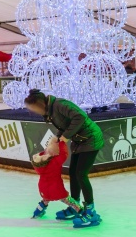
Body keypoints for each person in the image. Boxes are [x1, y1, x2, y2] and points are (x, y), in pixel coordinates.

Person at [23, 89, 103, 228]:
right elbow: (65, 124)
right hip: (80, 140)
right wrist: (57, 136)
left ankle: (91, 211)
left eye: (33, 109)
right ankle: (76, 206)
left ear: (40, 104)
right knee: (73, 173)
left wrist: (64, 138)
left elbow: (80, 117)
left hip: (91, 139)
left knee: (81, 174)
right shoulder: (51, 110)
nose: (33, 112)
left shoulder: (60, 104)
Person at [31, 137, 81, 219]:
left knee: (45, 200)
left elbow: (43, 154)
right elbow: (64, 154)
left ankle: (37, 212)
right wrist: (62, 142)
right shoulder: (55, 161)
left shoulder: (38, 164)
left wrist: (47, 151)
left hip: (43, 188)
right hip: (56, 188)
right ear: (55, 153)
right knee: (68, 200)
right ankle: (81, 211)